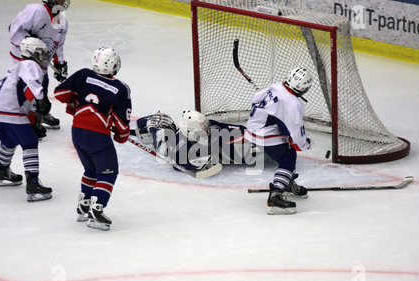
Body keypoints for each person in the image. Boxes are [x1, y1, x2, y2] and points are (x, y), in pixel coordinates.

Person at [54, 46, 132, 231]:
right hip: (98, 135)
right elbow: (122, 122)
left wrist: (74, 99)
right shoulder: (120, 88)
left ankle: (84, 205)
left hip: (78, 132)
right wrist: (122, 135)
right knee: (108, 172)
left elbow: (60, 94)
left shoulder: (83, 75)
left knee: (91, 169)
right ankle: (97, 210)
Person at [0, 37, 53, 202]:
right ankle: (33, 184)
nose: (43, 58)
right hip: (11, 110)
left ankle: (2, 172)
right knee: (30, 142)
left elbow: (24, 97)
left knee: (9, 141)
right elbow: (31, 86)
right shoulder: (29, 65)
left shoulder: (15, 68)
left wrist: (32, 122)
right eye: (41, 54)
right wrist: (41, 97)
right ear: (33, 53)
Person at [245, 67, 313, 215]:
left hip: (253, 127)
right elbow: (296, 136)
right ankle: (276, 194)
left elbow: (255, 98)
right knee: (288, 155)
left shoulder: (275, 87)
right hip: (263, 133)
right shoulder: (294, 103)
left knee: (287, 150)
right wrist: (305, 143)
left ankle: (286, 182)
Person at [9, 0, 70, 131]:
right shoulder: (36, 10)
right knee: (28, 87)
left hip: (41, 61)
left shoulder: (62, 22)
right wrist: (28, 40)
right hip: (23, 59)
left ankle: (40, 114)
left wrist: (60, 63)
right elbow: (14, 29)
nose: (64, 1)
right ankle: (27, 118)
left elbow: (58, 45)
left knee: (43, 85)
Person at [132, 110, 257, 174]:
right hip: (169, 143)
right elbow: (179, 164)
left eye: (205, 128)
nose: (206, 132)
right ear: (190, 133)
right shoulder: (178, 142)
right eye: (201, 131)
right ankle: (153, 124)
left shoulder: (210, 127)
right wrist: (199, 164)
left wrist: (250, 138)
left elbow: (236, 130)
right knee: (163, 148)